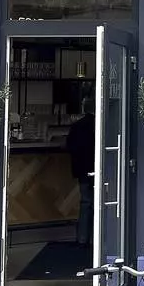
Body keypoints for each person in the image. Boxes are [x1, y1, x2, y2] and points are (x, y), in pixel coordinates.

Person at [65, 99, 96, 246]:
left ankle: (82, 238)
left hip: (83, 169)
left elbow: (70, 146)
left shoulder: (77, 126)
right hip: (98, 169)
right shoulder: (102, 125)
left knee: (85, 202)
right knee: (99, 203)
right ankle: (97, 239)